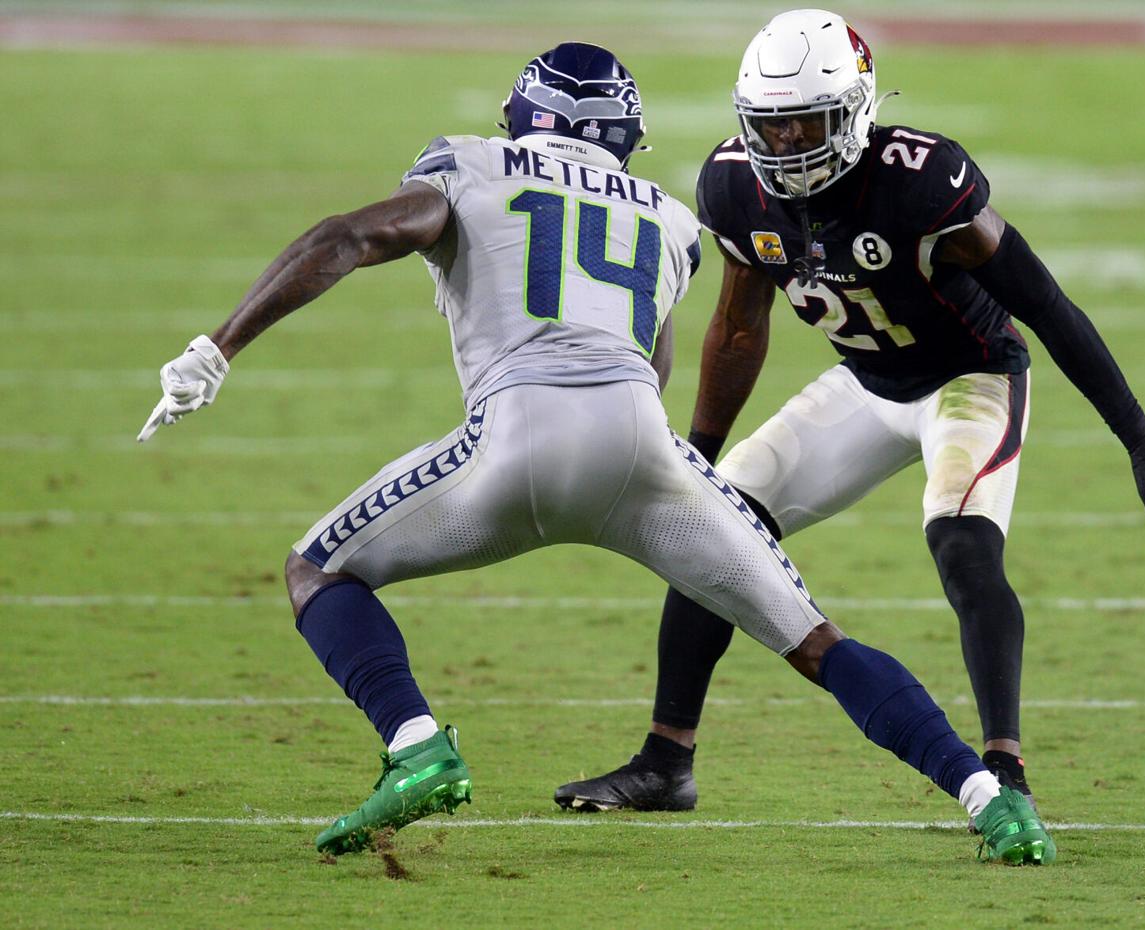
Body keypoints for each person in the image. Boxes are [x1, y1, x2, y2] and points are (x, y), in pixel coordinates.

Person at [135, 41, 1055, 865]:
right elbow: (650, 358)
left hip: (515, 439)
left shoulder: (468, 163)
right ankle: (990, 802)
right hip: (641, 451)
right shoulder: (664, 216)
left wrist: (219, 346)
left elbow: (352, 236)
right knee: (817, 643)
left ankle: (417, 745)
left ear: (521, 119)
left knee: (316, 572)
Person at [554, 10, 1145, 817]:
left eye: (808, 121)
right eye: (770, 126)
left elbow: (1043, 303)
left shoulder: (918, 178)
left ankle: (1005, 772)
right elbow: (738, 326)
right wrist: (696, 454)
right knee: (713, 522)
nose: (788, 145)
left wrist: (1143, 438)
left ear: (856, 108)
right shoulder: (735, 185)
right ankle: (667, 762)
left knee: (963, 546)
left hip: (970, 377)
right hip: (868, 383)